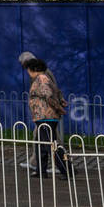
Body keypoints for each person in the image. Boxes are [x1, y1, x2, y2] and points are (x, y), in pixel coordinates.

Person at [20, 52, 69, 180]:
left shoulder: (41, 79)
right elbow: (56, 92)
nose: (28, 72)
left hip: (46, 117)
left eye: (28, 70)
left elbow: (49, 95)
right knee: (40, 144)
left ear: (34, 69)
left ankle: (67, 170)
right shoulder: (43, 78)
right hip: (41, 117)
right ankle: (41, 171)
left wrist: (59, 108)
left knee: (50, 145)